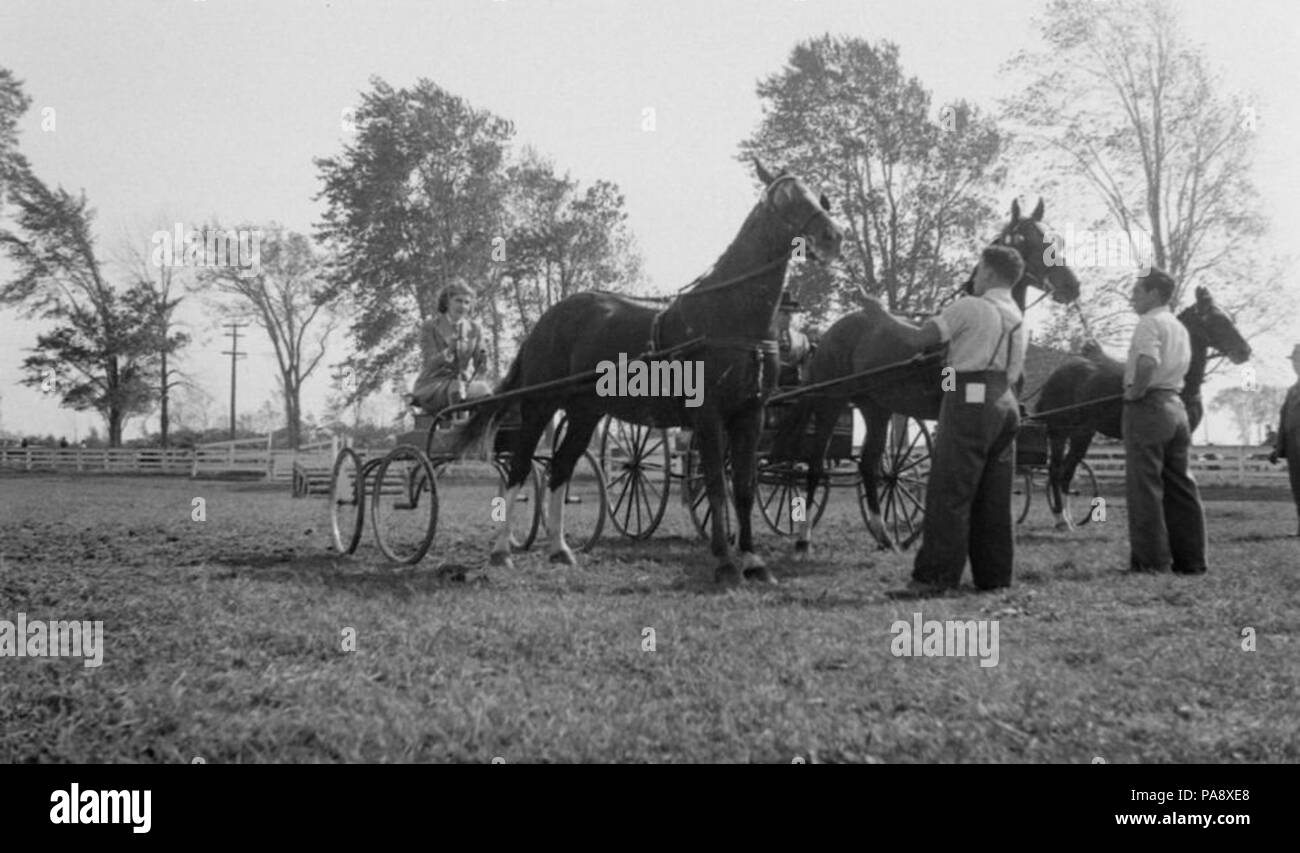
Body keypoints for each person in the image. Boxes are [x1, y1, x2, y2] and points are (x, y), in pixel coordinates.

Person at [886, 244, 1027, 597]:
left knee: (950, 490)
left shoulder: (970, 307)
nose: (974, 277)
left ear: (990, 273)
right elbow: (1012, 372)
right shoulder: (1018, 316)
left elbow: (917, 338)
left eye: (978, 271)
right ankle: (994, 577)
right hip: (1006, 401)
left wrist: (878, 315)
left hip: (969, 397)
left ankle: (934, 577)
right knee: (994, 496)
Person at [1122, 268, 1207, 574]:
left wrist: (1135, 393)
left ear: (1154, 294)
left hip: (1149, 408)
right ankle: (1192, 561)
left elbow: (1147, 362)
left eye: (1137, 292)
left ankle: (1151, 562)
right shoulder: (1178, 326)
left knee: (1144, 486)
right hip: (1177, 406)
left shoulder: (1149, 322)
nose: (1133, 298)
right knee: (1182, 485)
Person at [411, 282, 492, 416]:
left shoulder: (475, 329)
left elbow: (481, 367)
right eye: (458, 301)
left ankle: (482, 432)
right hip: (433, 385)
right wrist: (448, 352)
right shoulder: (430, 326)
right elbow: (429, 362)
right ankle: (459, 428)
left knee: (485, 391)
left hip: (464, 384)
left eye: (467, 302)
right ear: (447, 302)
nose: (463, 306)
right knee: (457, 389)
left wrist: (483, 360)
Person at [1268, 343, 1300, 536]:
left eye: (1298, 360)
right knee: (1297, 487)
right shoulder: (1292, 391)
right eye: (1294, 361)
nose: (1296, 364)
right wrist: (1278, 448)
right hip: (1294, 448)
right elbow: (1285, 421)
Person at [776, 291, 810, 386]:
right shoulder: (764, 339)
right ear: (775, 314)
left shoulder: (802, 339)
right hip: (767, 391)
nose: (790, 318)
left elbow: (806, 367)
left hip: (793, 390)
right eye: (785, 313)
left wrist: (804, 385)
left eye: (792, 314)